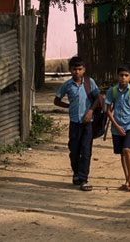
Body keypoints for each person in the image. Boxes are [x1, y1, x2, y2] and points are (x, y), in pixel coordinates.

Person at [53, 56, 103, 191]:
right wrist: (69, 106)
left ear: (84, 70)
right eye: (74, 69)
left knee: (86, 151)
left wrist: (91, 111)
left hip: (88, 123)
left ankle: (84, 179)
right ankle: (76, 173)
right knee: (74, 151)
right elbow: (56, 101)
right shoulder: (67, 85)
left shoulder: (89, 82)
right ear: (70, 70)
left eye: (79, 69)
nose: (77, 72)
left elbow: (98, 98)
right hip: (74, 123)